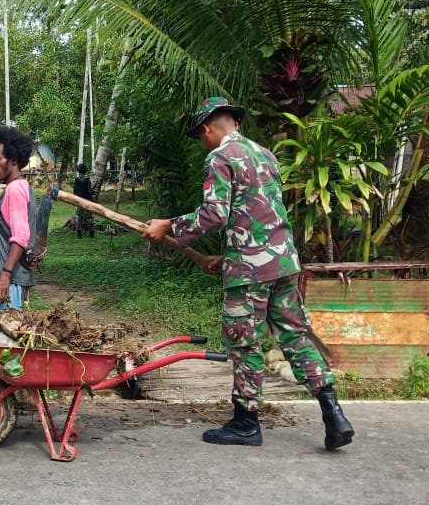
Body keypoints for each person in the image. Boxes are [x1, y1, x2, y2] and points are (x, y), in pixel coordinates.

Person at [141, 97, 354, 450]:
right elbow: (256, 214)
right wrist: (226, 256)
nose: (202, 142)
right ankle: (333, 412)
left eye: (200, 136)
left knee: (245, 343)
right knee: (295, 336)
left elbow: (214, 215)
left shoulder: (219, 158)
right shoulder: (265, 155)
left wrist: (168, 226)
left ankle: (245, 423)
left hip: (250, 273)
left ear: (208, 129)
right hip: (284, 263)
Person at [0, 126, 36, 310]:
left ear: (13, 161)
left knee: (5, 335)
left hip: (10, 281)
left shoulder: (15, 189)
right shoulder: (20, 187)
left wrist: (5, 274)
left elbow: (21, 237)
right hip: (10, 279)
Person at [73, 163, 96, 238]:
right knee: (89, 217)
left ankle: (79, 233)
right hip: (87, 201)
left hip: (79, 201)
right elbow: (89, 191)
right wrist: (93, 192)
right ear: (85, 171)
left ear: (78, 171)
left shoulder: (76, 180)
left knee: (79, 217)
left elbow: (75, 191)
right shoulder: (87, 180)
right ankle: (91, 232)